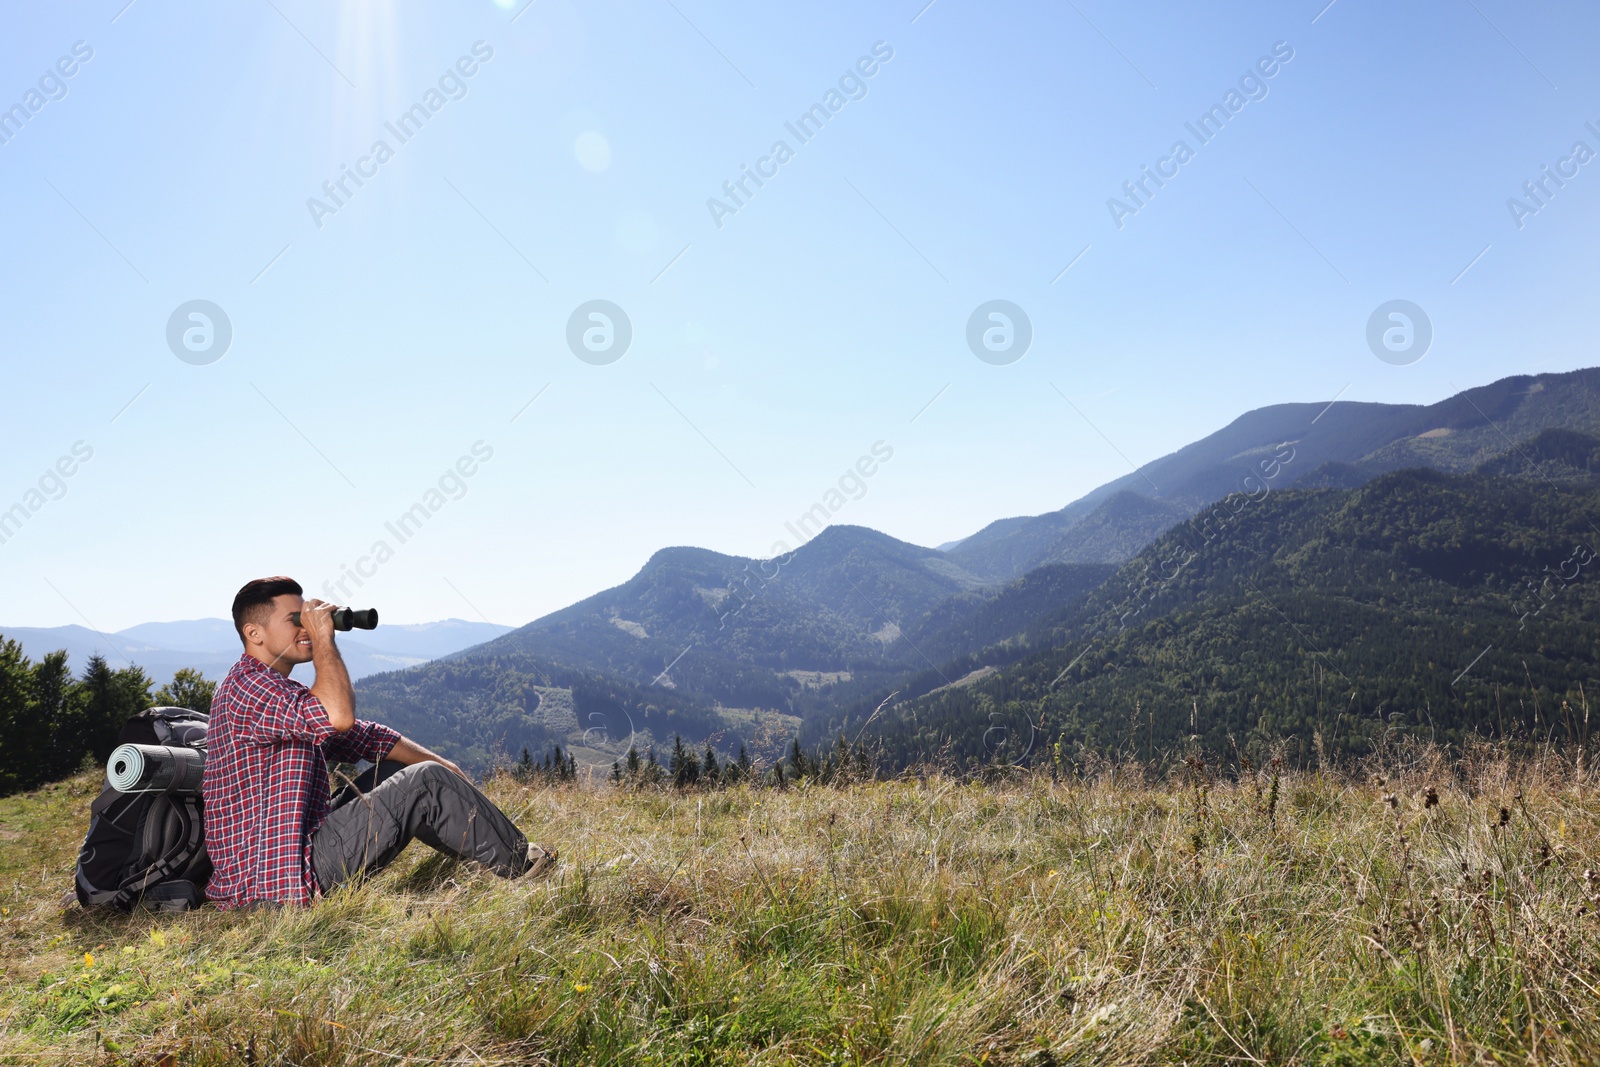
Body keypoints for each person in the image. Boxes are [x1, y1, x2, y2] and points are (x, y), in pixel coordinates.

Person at [202, 576, 556, 908]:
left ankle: (490, 860)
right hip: (275, 879)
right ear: (255, 633)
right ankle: (532, 871)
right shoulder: (249, 688)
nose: (306, 626)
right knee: (426, 782)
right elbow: (338, 716)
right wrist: (324, 638)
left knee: (405, 768)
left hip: (290, 851)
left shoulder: (272, 688)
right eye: (295, 619)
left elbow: (362, 736)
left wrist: (447, 767)